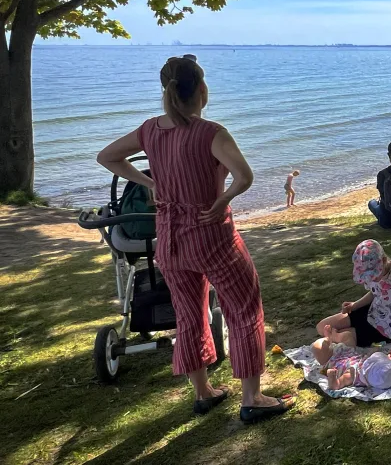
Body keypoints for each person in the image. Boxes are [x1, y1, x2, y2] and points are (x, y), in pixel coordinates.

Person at [96, 55, 290, 423]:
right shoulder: (211, 132)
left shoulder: (149, 130)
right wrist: (223, 200)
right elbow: (244, 176)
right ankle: (252, 397)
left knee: (188, 314)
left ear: (166, 90)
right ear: (201, 90)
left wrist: (151, 183)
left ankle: (203, 392)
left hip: (169, 238)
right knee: (245, 308)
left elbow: (107, 157)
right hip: (211, 235)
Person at [314, 240, 391, 367]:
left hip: (386, 325)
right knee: (321, 327)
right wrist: (354, 305)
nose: (372, 279)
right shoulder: (375, 272)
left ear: (383, 261)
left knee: (347, 338)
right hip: (372, 310)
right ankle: (339, 335)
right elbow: (374, 293)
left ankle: (338, 336)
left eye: (374, 276)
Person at [319, 348, 391, 392]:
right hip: (348, 353)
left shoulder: (352, 375)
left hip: (332, 359)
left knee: (317, 347)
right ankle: (331, 336)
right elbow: (369, 357)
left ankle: (329, 337)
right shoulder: (370, 375)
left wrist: (332, 376)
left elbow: (336, 385)